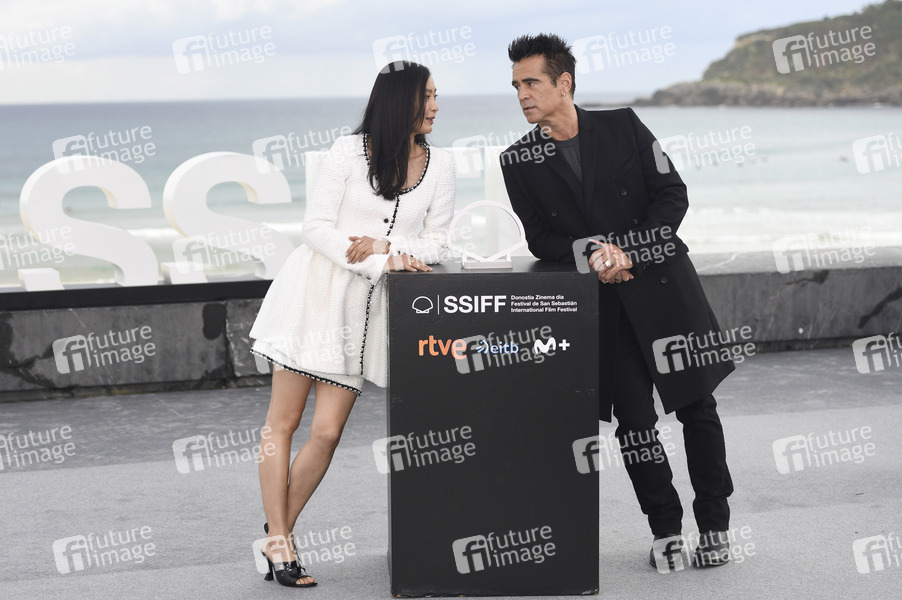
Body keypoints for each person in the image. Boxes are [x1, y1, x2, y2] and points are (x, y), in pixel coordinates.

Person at [500, 34, 735, 569]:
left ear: (564, 83)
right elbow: (541, 240)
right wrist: (594, 254)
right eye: (516, 86)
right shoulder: (517, 160)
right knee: (635, 425)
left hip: (665, 289)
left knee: (697, 408)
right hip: (605, 307)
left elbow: (672, 195)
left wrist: (628, 251)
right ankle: (666, 531)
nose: (522, 94)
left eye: (531, 82)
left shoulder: (624, 125)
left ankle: (715, 526)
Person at [248, 60, 455, 587]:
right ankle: (281, 543)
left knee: (327, 432)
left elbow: (437, 244)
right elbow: (315, 227)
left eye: (436, 96)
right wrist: (378, 259)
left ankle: (275, 532)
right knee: (282, 423)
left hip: (361, 317)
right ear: (400, 101)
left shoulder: (441, 164)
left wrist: (386, 245)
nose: (436, 106)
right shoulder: (347, 151)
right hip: (312, 295)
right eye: (427, 96)